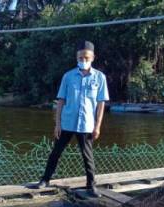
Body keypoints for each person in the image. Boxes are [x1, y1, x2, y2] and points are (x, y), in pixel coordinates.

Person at [31, 40, 109, 197]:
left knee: (87, 156)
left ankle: (91, 185)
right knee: (56, 152)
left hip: (86, 124)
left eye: (86, 57)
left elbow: (101, 104)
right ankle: (45, 180)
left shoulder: (100, 78)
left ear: (93, 57)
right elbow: (61, 101)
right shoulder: (68, 76)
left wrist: (98, 126)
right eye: (80, 58)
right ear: (77, 57)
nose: (83, 60)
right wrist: (57, 124)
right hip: (67, 122)